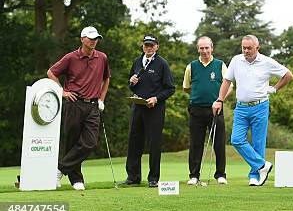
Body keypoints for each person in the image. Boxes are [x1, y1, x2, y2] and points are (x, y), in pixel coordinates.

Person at [212, 35, 293, 186]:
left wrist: (274, 89)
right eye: (244, 48)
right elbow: (227, 81)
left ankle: (254, 176)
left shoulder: (267, 62)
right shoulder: (236, 60)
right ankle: (263, 166)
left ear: (257, 48)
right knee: (236, 140)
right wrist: (220, 100)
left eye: (249, 48)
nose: (246, 51)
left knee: (258, 143)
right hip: (241, 107)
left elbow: (288, 75)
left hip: (260, 106)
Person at [48, 26, 110, 191]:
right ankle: (76, 179)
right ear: (82, 39)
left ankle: (59, 169)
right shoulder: (71, 57)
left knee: (89, 142)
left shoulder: (102, 57)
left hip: (93, 106)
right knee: (72, 141)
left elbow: (106, 79)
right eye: (90, 38)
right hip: (74, 103)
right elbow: (51, 73)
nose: (93, 41)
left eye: (96, 38)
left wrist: (101, 99)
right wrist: (62, 92)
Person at [122, 34, 175, 188]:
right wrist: (131, 83)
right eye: (146, 45)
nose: (149, 48)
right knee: (134, 141)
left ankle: (153, 178)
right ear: (142, 46)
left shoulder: (161, 64)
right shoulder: (137, 62)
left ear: (157, 47)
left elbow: (170, 88)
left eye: (152, 45)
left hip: (155, 109)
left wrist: (156, 98)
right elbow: (132, 85)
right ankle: (133, 177)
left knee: (154, 143)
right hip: (137, 106)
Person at [183, 36, 232, 185]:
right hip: (196, 109)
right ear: (198, 49)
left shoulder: (220, 65)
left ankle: (220, 174)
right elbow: (186, 87)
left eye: (207, 48)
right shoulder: (191, 66)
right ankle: (194, 175)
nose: (204, 51)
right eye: (201, 48)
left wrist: (219, 99)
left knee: (218, 143)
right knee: (195, 144)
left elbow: (229, 86)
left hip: (215, 109)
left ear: (212, 48)